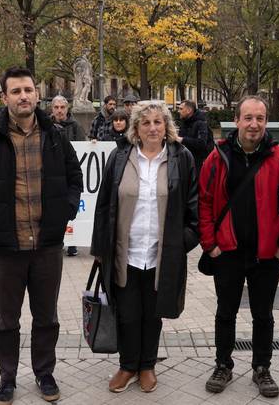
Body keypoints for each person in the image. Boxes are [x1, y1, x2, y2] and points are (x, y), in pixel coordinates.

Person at [0, 66, 83, 405]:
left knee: (46, 318)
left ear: (36, 94)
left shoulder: (56, 136)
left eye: (28, 89)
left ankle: (44, 373)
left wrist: (65, 212)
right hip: (5, 249)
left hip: (46, 245)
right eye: (16, 91)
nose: (23, 96)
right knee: (6, 321)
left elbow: (75, 179)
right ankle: (7, 378)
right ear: (5, 97)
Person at [91, 101, 199, 394]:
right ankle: (128, 366)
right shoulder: (120, 157)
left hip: (162, 256)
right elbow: (104, 206)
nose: (153, 127)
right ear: (136, 129)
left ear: (167, 126)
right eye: (146, 122)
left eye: (158, 122)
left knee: (153, 314)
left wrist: (181, 245)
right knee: (126, 313)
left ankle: (147, 365)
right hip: (125, 253)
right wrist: (101, 249)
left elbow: (194, 209)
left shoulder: (182, 157)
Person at [198, 95, 279, 398]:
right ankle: (223, 365)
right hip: (226, 252)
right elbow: (203, 202)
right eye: (248, 118)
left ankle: (261, 368)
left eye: (260, 118)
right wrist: (209, 244)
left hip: (266, 254)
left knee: (263, 314)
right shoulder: (217, 157)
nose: (254, 124)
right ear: (237, 120)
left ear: (265, 122)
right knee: (225, 312)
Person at [50, 95, 86, 257]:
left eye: (62, 107)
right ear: (52, 109)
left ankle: (73, 243)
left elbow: (82, 146)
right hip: (52, 175)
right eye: (56, 107)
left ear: (67, 109)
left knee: (72, 208)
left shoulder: (76, 126)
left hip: (69, 174)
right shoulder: (46, 125)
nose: (59, 110)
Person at [178, 100, 212, 177]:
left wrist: (182, 140)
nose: (178, 111)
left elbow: (201, 143)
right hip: (185, 163)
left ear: (189, 110)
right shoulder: (184, 122)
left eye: (181, 109)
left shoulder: (201, 123)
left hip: (198, 166)